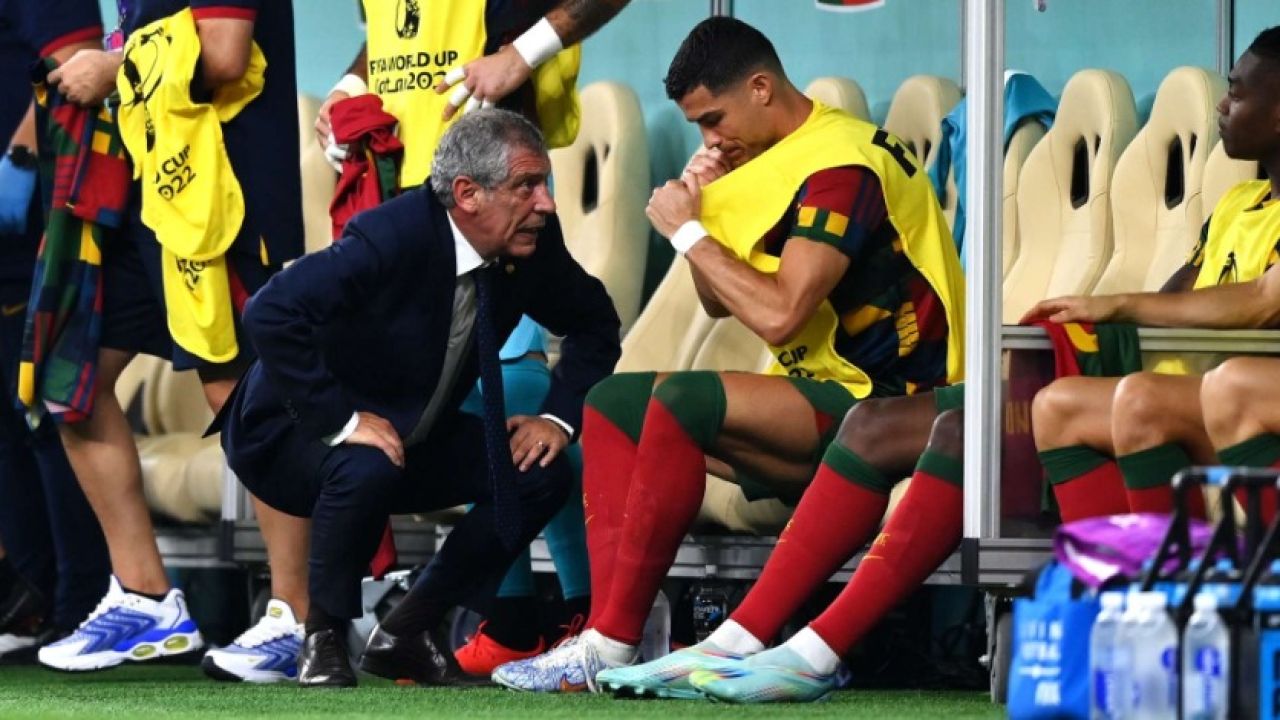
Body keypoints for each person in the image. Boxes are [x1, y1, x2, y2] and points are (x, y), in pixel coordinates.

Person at [492, 16, 964, 693]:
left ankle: (623, 642)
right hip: (828, 394)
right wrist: (706, 212)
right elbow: (720, 302)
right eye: (698, 128)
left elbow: (779, 314)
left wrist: (687, 234)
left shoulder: (840, 165)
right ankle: (605, 634)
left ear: (761, 88)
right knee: (614, 402)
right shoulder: (775, 159)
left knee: (682, 401)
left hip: (895, 403)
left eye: (714, 120)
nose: (711, 140)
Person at [203, 0, 630, 683]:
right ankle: (322, 637)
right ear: (468, 194)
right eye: (526, 187)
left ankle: (407, 627)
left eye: (542, 185)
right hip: (286, 434)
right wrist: (343, 422)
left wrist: (555, 418)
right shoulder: (392, 234)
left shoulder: (530, 242)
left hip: (405, 431)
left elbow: (596, 323)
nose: (545, 202)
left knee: (538, 473)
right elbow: (272, 312)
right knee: (366, 460)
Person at [35, 0, 303, 673]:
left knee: (239, 395)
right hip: (145, 188)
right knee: (69, 375)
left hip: (219, 191)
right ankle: (146, 598)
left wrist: (111, 68)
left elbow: (223, 53)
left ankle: (301, 616)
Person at [1028, 27, 1280, 525]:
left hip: (1247, 399)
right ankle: (1116, 570)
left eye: (1236, 94)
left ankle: (1169, 574)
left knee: (1148, 398)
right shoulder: (1237, 201)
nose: (1222, 106)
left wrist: (1118, 303)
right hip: (1208, 393)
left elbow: (1262, 299)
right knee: (1058, 405)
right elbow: (1177, 294)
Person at [0, 0, 110, 660]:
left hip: (38, 224)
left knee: (46, 414)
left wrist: (17, 161)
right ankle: (32, 601)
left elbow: (74, 69)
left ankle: (83, 604)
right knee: (7, 427)